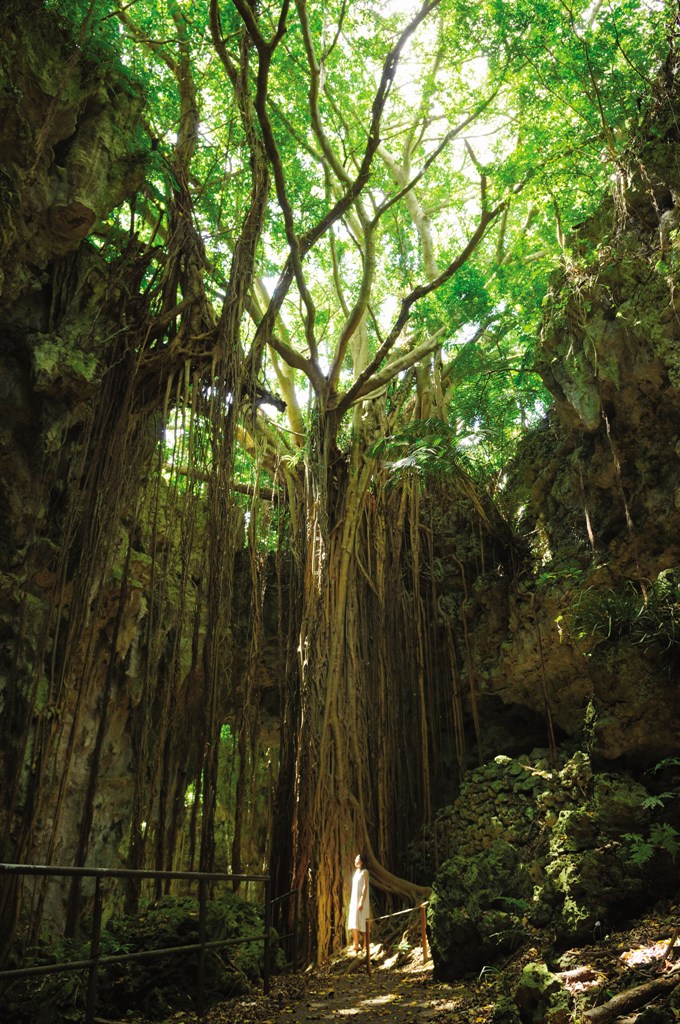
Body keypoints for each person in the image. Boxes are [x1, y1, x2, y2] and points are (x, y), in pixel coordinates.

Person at [348, 852, 370, 952]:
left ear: (361, 861)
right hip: (354, 900)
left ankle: (366, 944)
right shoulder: (356, 872)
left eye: (357, 859)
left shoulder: (364, 872)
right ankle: (356, 944)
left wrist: (361, 900)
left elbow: (365, 886)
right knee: (353, 921)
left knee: (363, 921)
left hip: (362, 900)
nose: (355, 860)